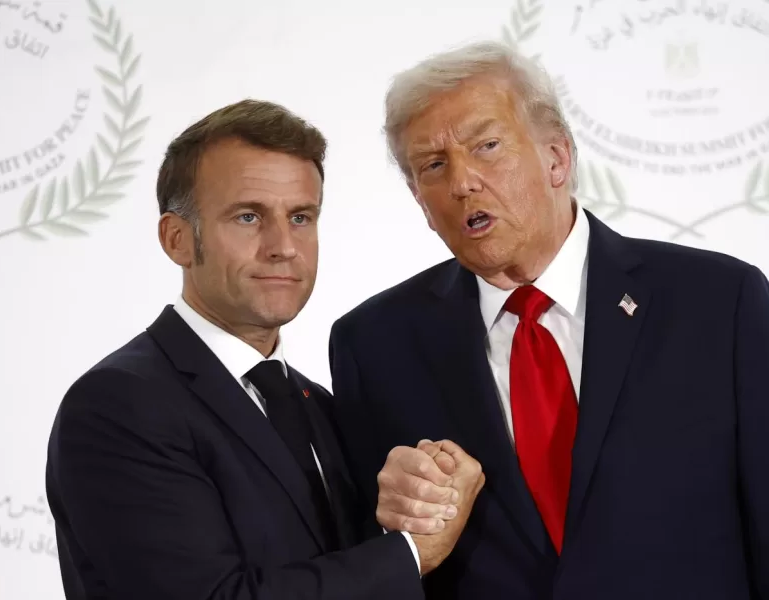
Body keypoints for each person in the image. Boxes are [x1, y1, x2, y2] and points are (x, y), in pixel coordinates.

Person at [327, 41, 769, 599]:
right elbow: (371, 558)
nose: (462, 182)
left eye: (488, 145)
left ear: (557, 157)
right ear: (418, 199)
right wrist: (396, 529)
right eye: (433, 165)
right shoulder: (374, 344)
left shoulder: (720, 302)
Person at [44, 99, 485, 599]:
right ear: (176, 239)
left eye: (301, 217)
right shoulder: (117, 406)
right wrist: (410, 553)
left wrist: (418, 501)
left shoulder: (317, 404)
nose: (283, 246)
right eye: (249, 216)